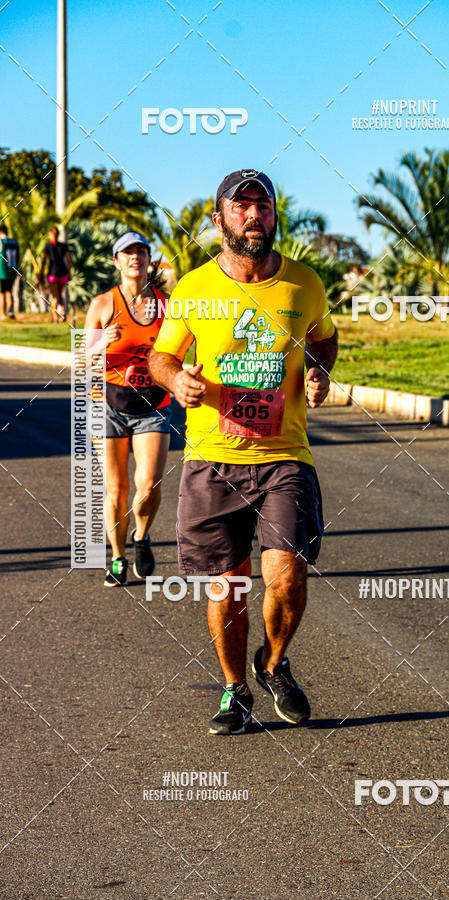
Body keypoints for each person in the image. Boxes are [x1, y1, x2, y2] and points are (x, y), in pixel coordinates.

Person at [149, 169, 338, 735]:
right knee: (227, 585)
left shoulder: (304, 284)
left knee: (287, 575)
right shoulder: (194, 289)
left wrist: (319, 373)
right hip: (212, 458)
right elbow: (162, 356)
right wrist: (175, 379)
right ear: (219, 219)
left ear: (275, 214)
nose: (254, 215)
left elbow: (324, 338)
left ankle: (273, 663)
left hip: (285, 455)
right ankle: (235, 689)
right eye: (241, 206)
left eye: (264, 205)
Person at [84, 231, 171, 587]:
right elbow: (81, 361)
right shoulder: (103, 304)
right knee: (116, 488)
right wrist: (100, 344)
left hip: (153, 403)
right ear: (116, 261)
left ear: (149, 259)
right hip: (107, 402)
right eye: (127, 252)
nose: (135, 257)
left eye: (141, 251)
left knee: (148, 484)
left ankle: (141, 536)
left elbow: (178, 353)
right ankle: (118, 558)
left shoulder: (166, 306)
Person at [40, 226, 72, 323]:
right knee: (59, 295)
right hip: (63, 273)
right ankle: (62, 310)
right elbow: (69, 260)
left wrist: (41, 272)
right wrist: (69, 272)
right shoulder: (63, 246)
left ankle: (55, 318)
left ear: (50, 234)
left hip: (52, 274)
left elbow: (44, 260)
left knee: (55, 297)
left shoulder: (48, 246)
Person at [0, 225, 20, 319]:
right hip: (12, 270)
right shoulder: (15, 242)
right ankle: (11, 312)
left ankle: (2, 313)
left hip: (2, 271)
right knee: (9, 291)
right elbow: (19, 256)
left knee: (2, 292)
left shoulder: (1, 242)